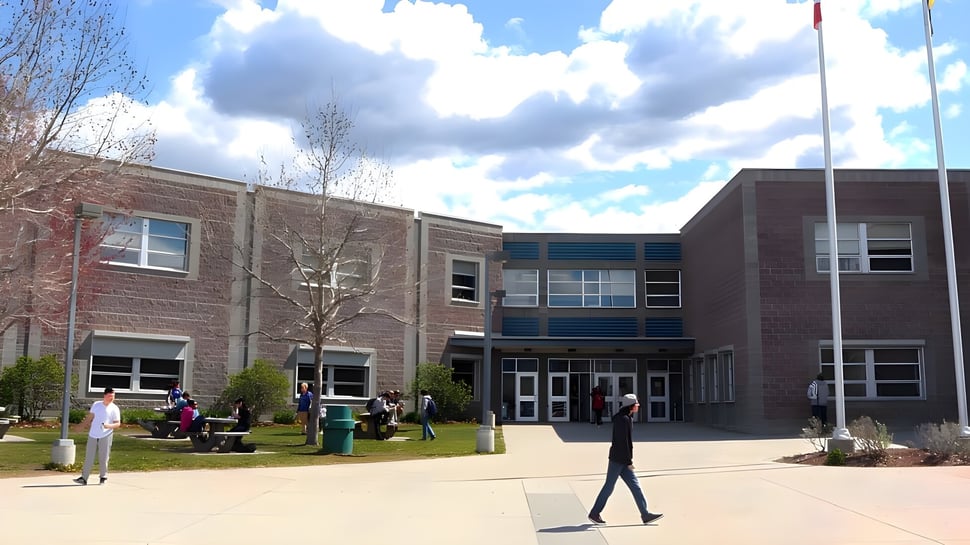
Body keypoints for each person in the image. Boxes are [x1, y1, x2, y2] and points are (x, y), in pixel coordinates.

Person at [587, 393, 662, 526]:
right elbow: (623, 442)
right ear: (631, 406)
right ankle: (594, 513)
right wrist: (629, 462)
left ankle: (645, 514)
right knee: (609, 487)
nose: (638, 406)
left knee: (635, 487)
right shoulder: (623, 420)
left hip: (621, 458)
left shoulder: (625, 418)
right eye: (637, 404)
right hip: (618, 459)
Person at [73, 387, 122, 486]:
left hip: (106, 434)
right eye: (109, 396)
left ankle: (103, 477)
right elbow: (90, 418)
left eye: (113, 396)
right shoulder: (96, 405)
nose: (111, 398)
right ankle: (84, 478)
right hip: (93, 434)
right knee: (89, 457)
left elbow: (117, 424)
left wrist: (108, 426)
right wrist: (81, 426)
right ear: (105, 395)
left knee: (103, 456)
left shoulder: (114, 408)